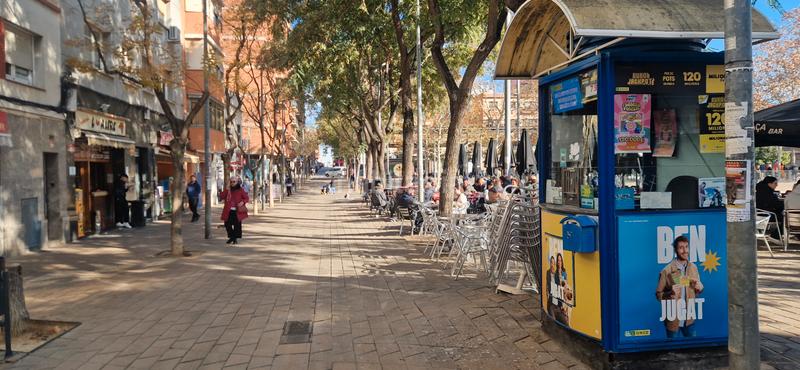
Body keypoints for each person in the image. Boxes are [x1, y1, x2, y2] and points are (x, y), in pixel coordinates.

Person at [655, 235, 703, 339]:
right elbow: (658, 295)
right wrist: (670, 293)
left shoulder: (694, 268)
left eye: (686, 247)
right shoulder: (666, 271)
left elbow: (696, 290)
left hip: (689, 320)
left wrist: (700, 288)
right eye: (681, 247)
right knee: (672, 349)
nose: (685, 250)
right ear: (675, 250)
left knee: (693, 347)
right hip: (673, 321)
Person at [219, 176, 249, 245]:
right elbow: (222, 196)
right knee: (227, 224)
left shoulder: (240, 190)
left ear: (237, 182)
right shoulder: (228, 190)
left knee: (237, 225)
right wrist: (226, 189)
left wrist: (243, 202)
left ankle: (234, 238)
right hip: (228, 210)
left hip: (237, 211)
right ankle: (232, 237)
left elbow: (246, 198)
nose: (232, 183)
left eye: (234, 181)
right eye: (231, 182)